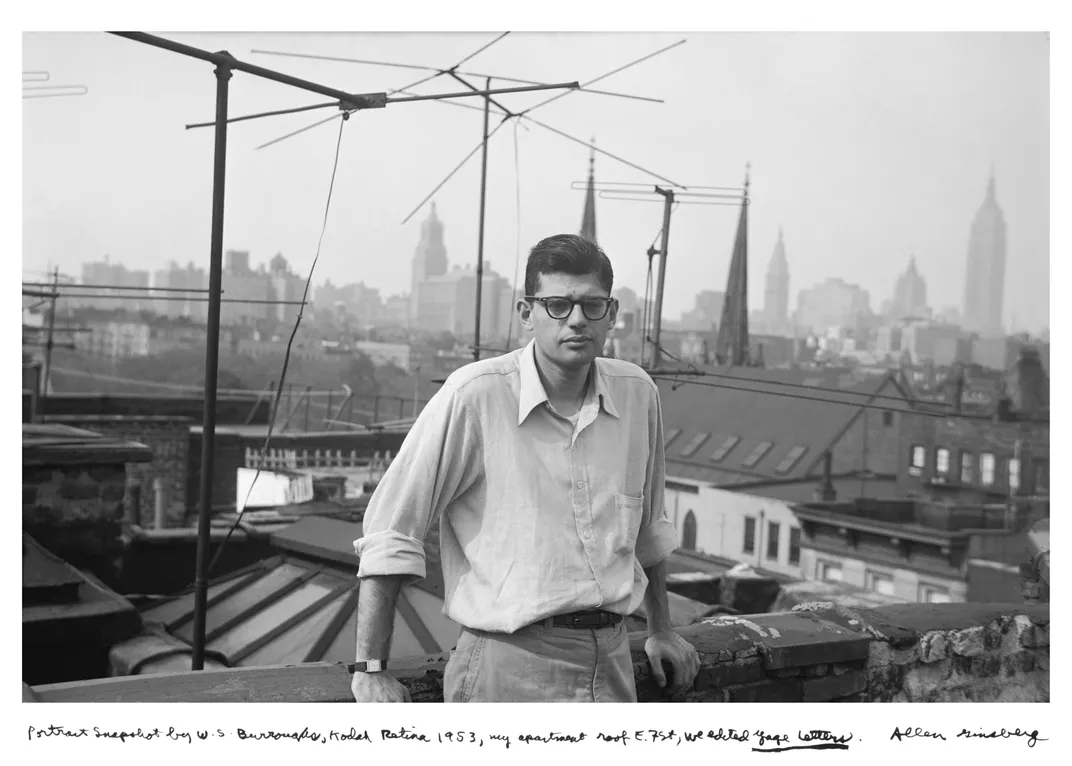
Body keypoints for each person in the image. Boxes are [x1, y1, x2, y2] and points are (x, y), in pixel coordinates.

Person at [351, 234, 700, 702]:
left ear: (612, 314)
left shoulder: (637, 395)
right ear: (525, 313)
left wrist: (661, 628)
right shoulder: (476, 396)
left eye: (591, 305)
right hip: (508, 666)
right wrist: (370, 667)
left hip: (613, 661)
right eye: (558, 304)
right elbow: (392, 529)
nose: (576, 320)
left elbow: (649, 531)